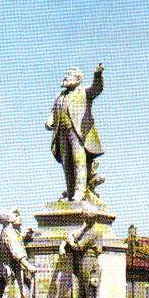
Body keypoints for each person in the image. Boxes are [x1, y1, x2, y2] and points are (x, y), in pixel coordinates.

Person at [46, 63, 105, 203]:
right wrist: (49, 121)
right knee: (67, 163)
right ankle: (71, 191)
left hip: (77, 133)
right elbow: (54, 111)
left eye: (69, 76)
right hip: (61, 132)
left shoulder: (84, 92)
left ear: (77, 79)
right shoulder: (60, 96)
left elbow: (96, 88)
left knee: (79, 161)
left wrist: (98, 75)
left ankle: (80, 192)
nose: (65, 78)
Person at [60, 206, 102, 298]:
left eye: (89, 218)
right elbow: (73, 234)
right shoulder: (85, 228)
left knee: (90, 295)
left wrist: (69, 240)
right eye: (86, 218)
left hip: (90, 261)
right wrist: (64, 244)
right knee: (72, 292)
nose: (87, 220)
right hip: (80, 260)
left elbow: (77, 246)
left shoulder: (94, 231)